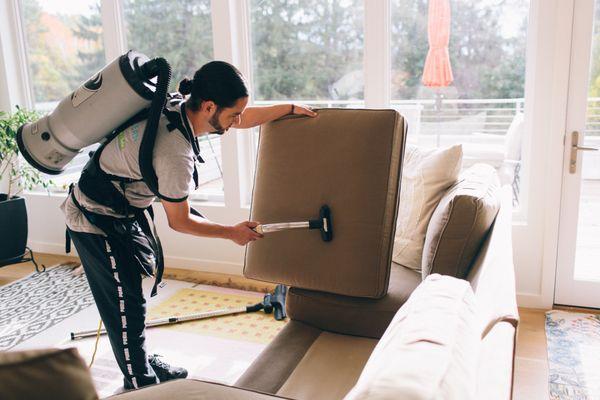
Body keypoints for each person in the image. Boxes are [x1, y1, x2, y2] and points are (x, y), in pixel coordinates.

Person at [60, 60, 317, 390]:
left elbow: (245, 118)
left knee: (132, 290)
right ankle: (140, 383)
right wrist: (231, 233)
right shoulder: (174, 153)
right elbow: (179, 221)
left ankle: (141, 362)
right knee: (125, 303)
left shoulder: (182, 104)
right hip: (94, 217)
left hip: (121, 210)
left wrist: (291, 108)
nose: (239, 120)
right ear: (210, 106)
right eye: (233, 114)